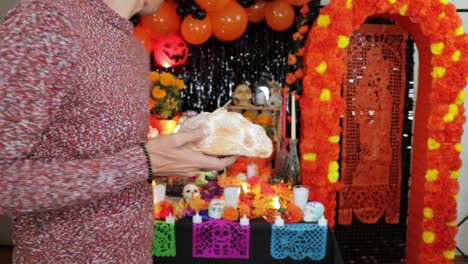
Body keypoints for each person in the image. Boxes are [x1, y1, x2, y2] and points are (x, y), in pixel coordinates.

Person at [0, 0, 237, 262]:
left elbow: (110, 159)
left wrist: (164, 159)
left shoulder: (125, 39)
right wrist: (142, 162)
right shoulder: (47, 20)